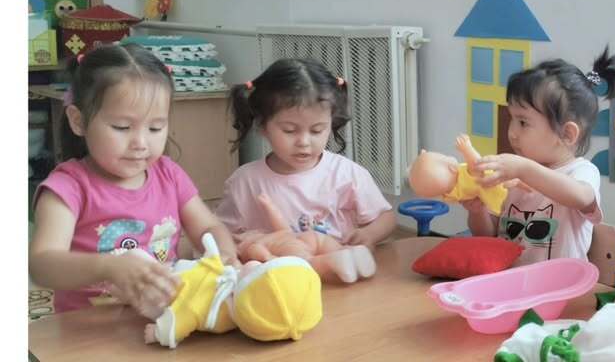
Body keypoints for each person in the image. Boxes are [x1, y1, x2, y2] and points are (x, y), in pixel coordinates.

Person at [29, 44, 235, 314]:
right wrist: (108, 267)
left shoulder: (169, 175)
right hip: (88, 326)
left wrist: (225, 255)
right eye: (122, 127)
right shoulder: (68, 187)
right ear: (78, 121)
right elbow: (42, 265)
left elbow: (208, 226)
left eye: (155, 128)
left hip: (163, 316)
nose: (141, 143)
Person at [216, 59, 396, 259]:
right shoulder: (244, 181)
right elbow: (221, 233)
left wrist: (369, 234)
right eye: (289, 130)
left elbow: (385, 217)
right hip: (276, 271)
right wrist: (242, 245)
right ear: (263, 126)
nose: (304, 142)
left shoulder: (346, 174)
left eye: (317, 130)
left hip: (334, 266)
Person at [467, 51, 615, 263]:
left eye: (523, 122)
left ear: (566, 134)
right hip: (509, 280)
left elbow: (582, 198)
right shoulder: (512, 174)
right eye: (511, 118)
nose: (512, 132)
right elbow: (489, 235)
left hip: (562, 282)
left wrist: (523, 170)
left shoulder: (581, 172)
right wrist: (478, 211)